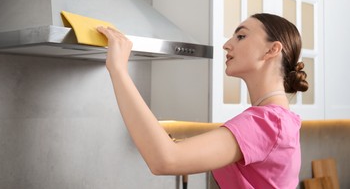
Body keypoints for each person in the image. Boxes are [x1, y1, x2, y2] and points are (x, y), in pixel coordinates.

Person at [97, 13, 308, 189]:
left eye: (241, 36)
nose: (226, 45)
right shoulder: (279, 120)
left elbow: (165, 160)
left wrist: (118, 69)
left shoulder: (267, 122)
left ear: (272, 50)